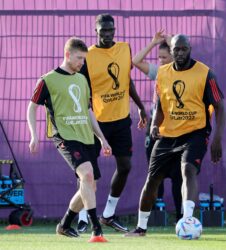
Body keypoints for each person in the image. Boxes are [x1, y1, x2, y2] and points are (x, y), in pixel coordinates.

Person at [125, 34, 226, 236]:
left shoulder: (205, 73)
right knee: (152, 179)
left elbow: (220, 106)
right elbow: (160, 105)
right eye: (176, 49)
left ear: (190, 49)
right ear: (171, 51)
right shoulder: (163, 73)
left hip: (195, 132)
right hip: (168, 135)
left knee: (188, 170)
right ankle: (141, 227)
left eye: (184, 49)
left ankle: (187, 219)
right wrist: (154, 124)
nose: (180, 52)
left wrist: (217, 138)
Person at [27, 37, 111, 243]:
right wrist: (34, 135)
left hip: (86, 137)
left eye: (84, 59)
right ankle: (96, 229)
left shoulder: (82, 79)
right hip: (64, 136)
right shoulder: (47, 80)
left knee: (90, 186)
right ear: (67, 54)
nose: (82, 63)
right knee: (87, 176)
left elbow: (88, 111)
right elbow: (31, 107)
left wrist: (102, 138)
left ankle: (64, 224)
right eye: (79, 58)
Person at [77, 13, 147, 233]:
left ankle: (108, 213)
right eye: (103, 30)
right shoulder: (87, 56)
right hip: (97, 123)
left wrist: (141, 107)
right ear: (95, 31)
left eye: (110, 30)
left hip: (121, 120)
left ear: (114, 31)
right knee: (88, 172)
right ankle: (81, 217)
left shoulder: (124, 49)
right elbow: (82, 88)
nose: (107, 34)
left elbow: (127, 80)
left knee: (125, 166)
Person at [132, 30, 183, 222]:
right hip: (155, 132)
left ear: (173, 55)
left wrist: (172, 42)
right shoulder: (159, 72)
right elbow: (136, 61)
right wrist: (154, 42)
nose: (160, 60)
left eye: (164, 57)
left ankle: (181, 217)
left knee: (179, 178)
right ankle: (153, 217)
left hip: (177, 132)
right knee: (155, 177)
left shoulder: (183, 72)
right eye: (158, 57)